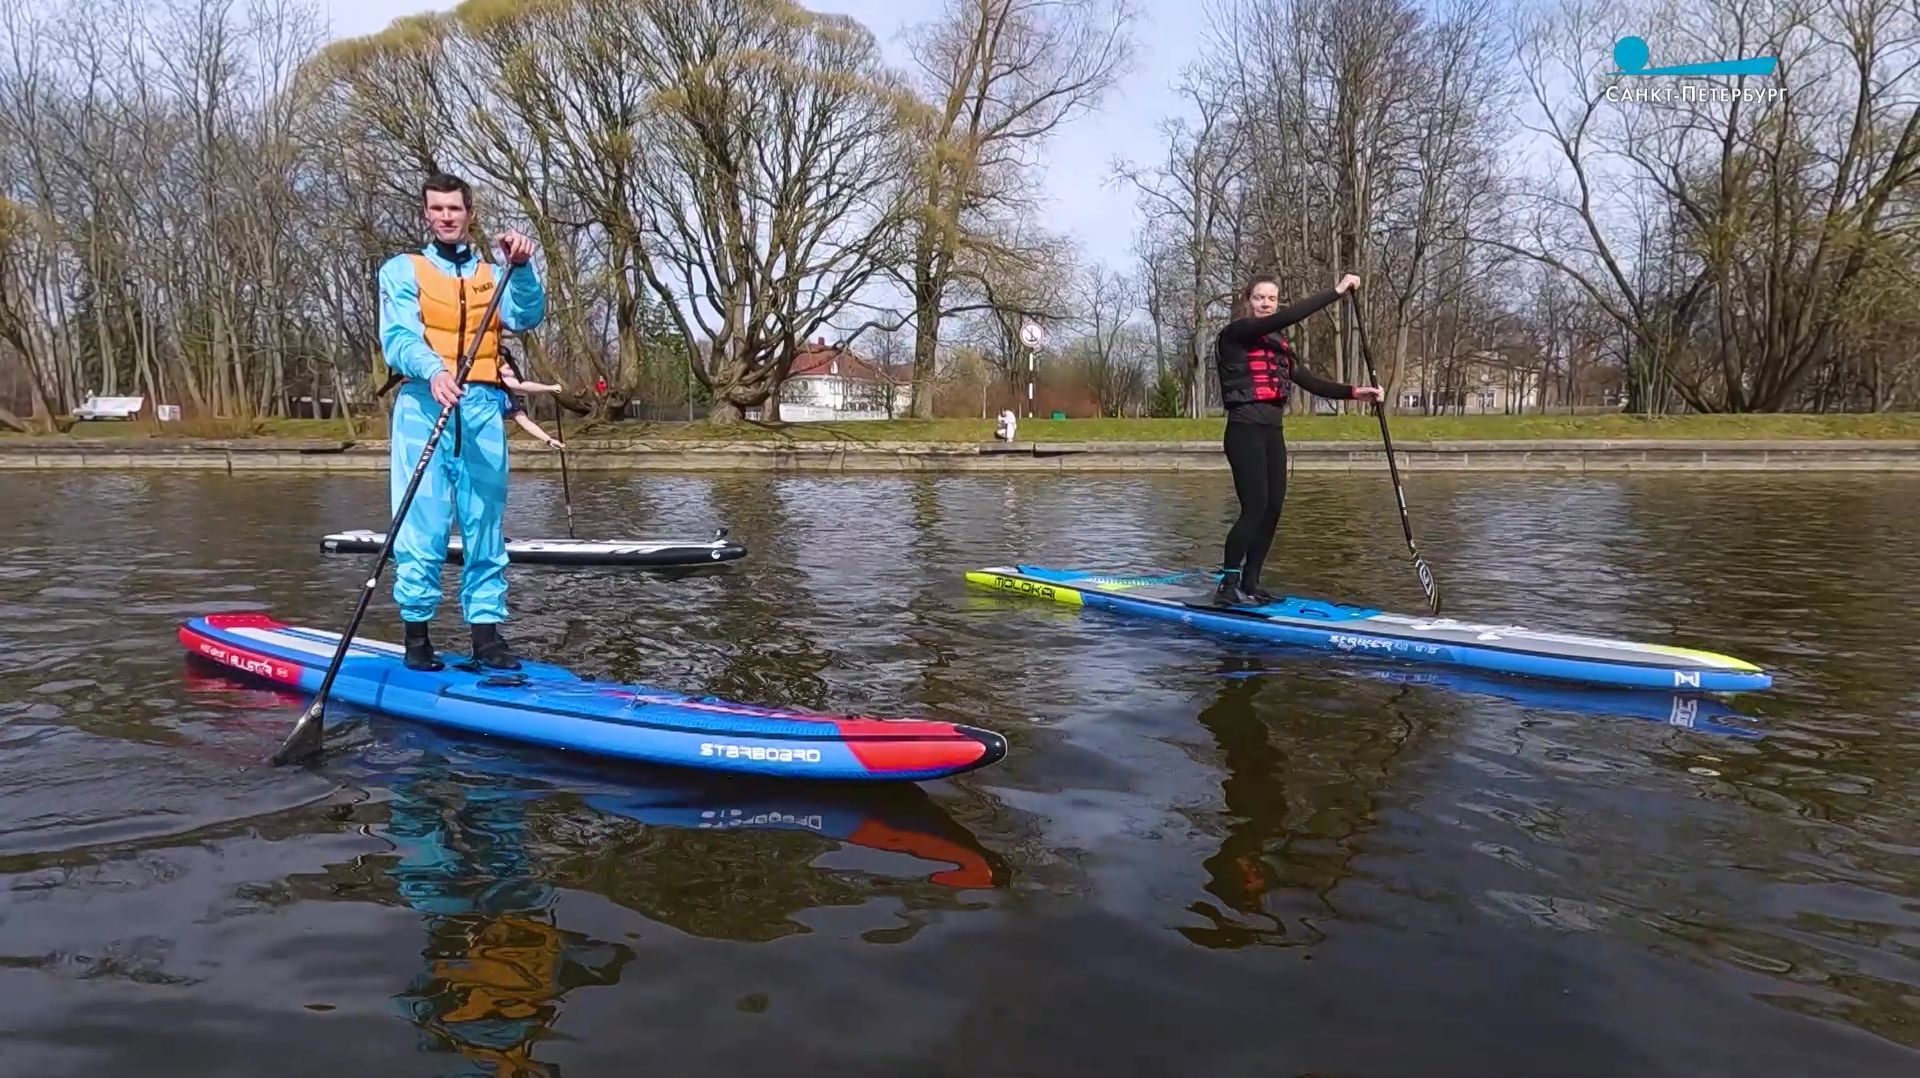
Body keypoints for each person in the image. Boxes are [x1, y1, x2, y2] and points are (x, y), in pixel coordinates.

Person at [379, 171, 547, 671]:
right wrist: (432, 370)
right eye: (437, 209)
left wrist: (522, 266)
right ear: (426, 214)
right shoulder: (401, 271)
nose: (446, 217)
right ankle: (417, 639)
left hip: (480, 409)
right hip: (423, 405)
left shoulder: (493, 276)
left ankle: (486, 637)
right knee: (421, 526)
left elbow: (525, 315)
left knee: (485, 524)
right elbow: (398, 337)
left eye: (455, 209)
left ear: (469, 214)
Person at [1212, 273, 1384, 607]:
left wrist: (1355, 393)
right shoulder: (1235, 333)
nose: (1266, 304)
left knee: (1273, 508)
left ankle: (1251, 582)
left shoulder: (1280, 347)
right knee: (1254, 508)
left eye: (1272, 299)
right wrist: (1336, 291)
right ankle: (1227, 584)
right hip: (1244, 430)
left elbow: (1312, 382)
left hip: (1272, 433)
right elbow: (1289, 317)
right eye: (1260, 298)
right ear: (1248, 300)